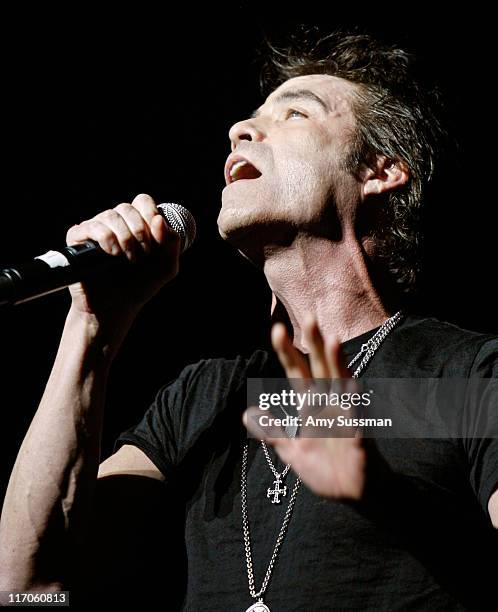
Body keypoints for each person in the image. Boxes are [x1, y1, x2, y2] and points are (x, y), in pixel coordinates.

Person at [0, 31, 497, 611]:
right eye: (249, 117)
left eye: (294, 113)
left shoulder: (465, 377)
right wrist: (92, 329)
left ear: (379, 170)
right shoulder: (204, 398)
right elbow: (28, 588)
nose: (241, 130)